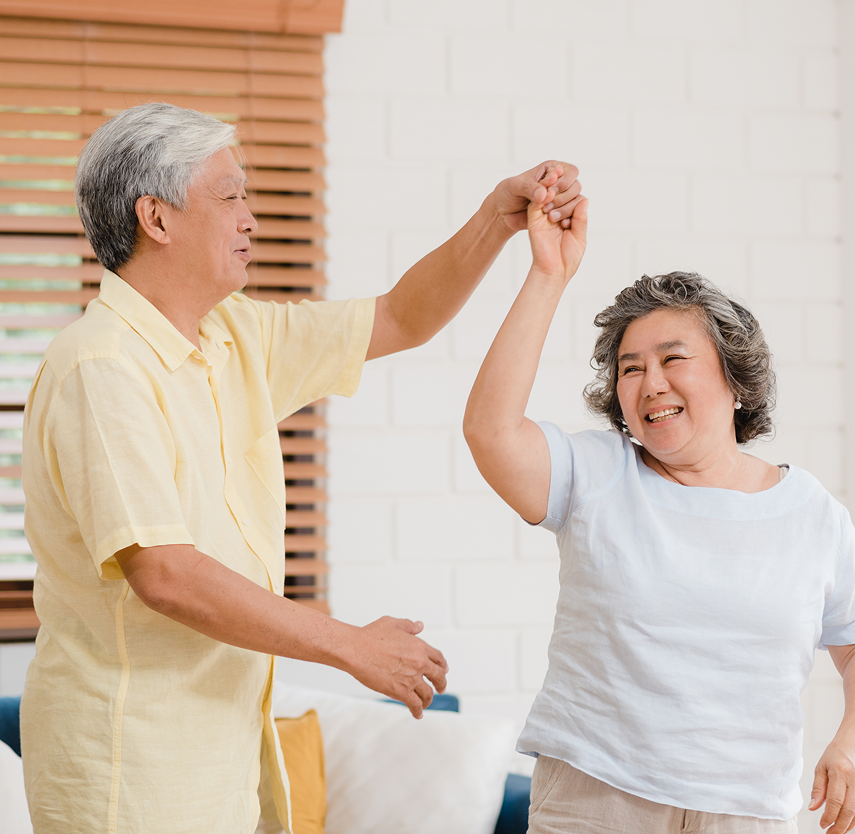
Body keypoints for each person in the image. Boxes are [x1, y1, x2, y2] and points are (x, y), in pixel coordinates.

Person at [20, 101, 584, 834]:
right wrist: (350, 644)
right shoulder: (100, 366)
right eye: (229, 196)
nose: (250, 217)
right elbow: (164, 571)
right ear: (156, 219)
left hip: (222, 760)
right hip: (129, 767)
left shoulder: (232, 333)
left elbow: (401, 317)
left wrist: (496, 220)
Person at [462, 197, 855, 834]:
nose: (650, 383)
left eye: (673, 359)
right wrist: (548, 274)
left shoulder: (812, 514)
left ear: (734, 375)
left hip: (748, 811)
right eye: (630, 368)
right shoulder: (597, 473)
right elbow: (490, 430)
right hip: (598, 799)